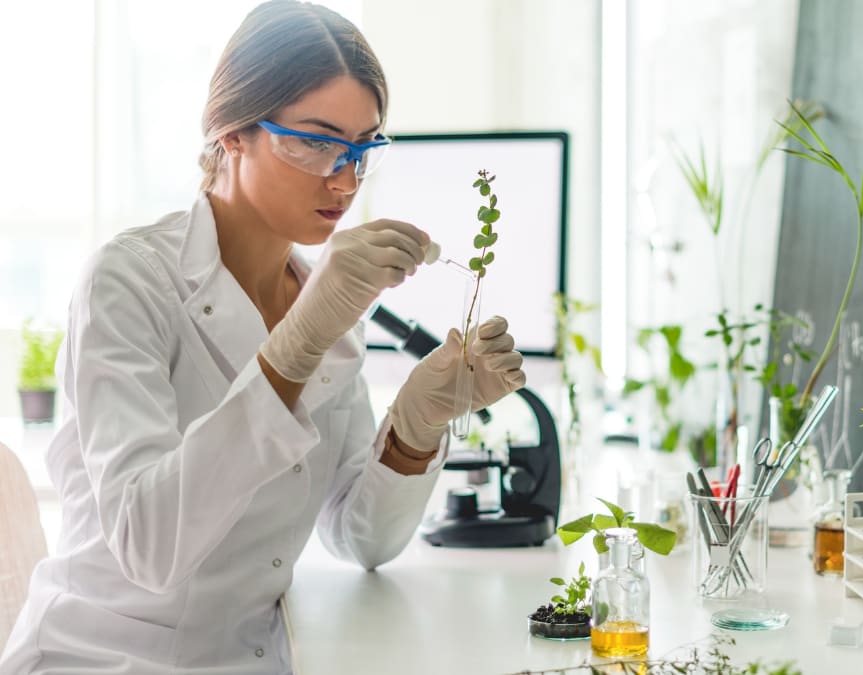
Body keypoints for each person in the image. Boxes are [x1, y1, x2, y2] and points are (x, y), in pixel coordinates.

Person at [0, 2, 525, 673]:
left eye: (363, 148)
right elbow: (148, 544)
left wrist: (415, 423)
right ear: (232, 132)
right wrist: (296, 345)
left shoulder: (317, 297)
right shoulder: (128, 283)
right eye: (315, 140)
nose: (344, 178)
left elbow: (357, 535)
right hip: (108, 656)